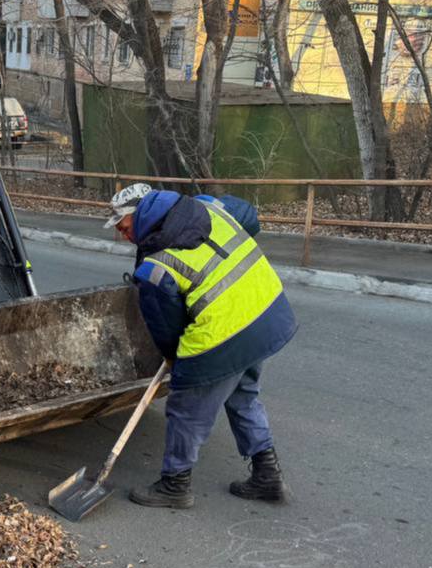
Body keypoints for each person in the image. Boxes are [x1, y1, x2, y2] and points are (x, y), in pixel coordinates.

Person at [104, 183, 297, 508]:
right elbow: (249, 217)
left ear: (139, 217)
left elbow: (167, 332)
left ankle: (175, 485)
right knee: (243, 396)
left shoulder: (156, 270)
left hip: (225, 333)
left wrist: (178, 363)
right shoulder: (207, 208)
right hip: (266, 312)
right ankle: (268, 475)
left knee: (186, 408)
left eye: (123, 227)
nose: (123, 235)